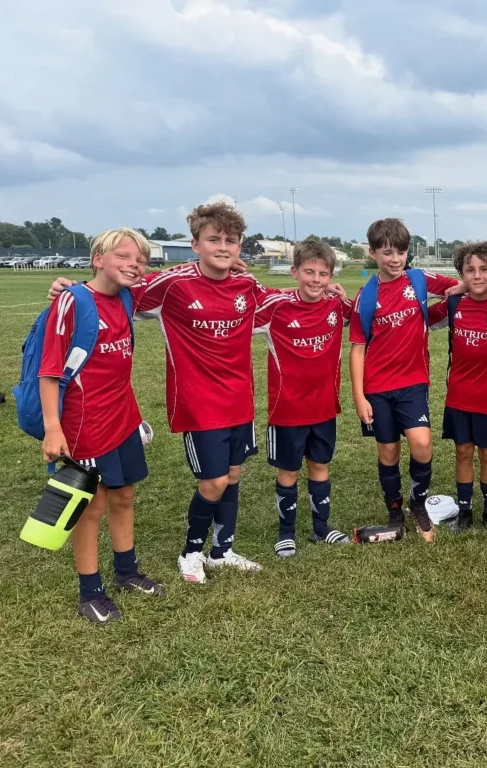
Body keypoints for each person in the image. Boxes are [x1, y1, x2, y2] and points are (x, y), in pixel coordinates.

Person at [49, 203, 307, 584]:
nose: (223, 247)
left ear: (240, 246)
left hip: (240, 401)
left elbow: (279, 300)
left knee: (233, 475)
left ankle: (222, 551)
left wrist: (321, 290)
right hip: (199, 405)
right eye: (213, 239)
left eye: (231, 240)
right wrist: (70, 287)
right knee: (213, 482)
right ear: (195, 244)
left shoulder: (247, 286)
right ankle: (191, 552)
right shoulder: (173, 283)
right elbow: (112, 289)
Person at [39, 228, 162, 623]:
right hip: (84, 423)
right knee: (92, 506)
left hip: (124, 416)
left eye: (140, 260)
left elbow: (171, 283)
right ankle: (90, 591)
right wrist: (53, 427)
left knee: (124, 495)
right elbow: (50, 371)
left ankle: (127, 572)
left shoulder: (127, 296)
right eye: (123, 256)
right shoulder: (73, 301)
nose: (134, 265)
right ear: (97, 259)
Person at [349, 219, 461, 543]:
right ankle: (395, 510)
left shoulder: (419, 279)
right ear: (372, 253)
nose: (395, 259)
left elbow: (458, 286)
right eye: (387, 253)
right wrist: (359, 397)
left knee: (422, 444)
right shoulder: (366, 296)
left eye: (400, 252)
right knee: (388, 450)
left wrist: (483, 283)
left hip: (413, 383)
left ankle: (418, 503)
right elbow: (357, 349)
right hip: (377, 387)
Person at [253, 239, 354, 557]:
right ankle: (286, 533)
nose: (316, 280)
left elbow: (363, 313)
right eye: (309, 272)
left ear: (331, 276)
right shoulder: (276, 307)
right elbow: (240, 310)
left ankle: (322, 527)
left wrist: (341, 295)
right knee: (289, 471)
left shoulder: (337, 306)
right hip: (287, 409)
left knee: (320, 466)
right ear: (295, 272)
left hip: (324, 407)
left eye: (323, 274)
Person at [427, 241, 487, 532]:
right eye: (470, 270)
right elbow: (419, 318)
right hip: (459, 395)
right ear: (462, 275)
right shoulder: (454, 303)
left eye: (484, 269)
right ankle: (465, 511)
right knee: (463, 452)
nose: (477, 276)